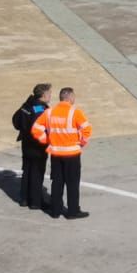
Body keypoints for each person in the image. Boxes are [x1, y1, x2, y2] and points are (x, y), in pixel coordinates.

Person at [31, 86, 93, 219]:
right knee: (72, 183)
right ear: (69, 97)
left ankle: (55, 210)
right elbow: (87, 129)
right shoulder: (75, 112)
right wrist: (81, 143)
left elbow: (36, 129)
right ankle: (72, 211)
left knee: (57, 182)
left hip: (56, 154)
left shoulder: (49, 112)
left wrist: (47, 140)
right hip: (72, 154)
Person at [10, 83, 52, 209]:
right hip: (37, 146)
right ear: (43, 95)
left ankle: (24, 199)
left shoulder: (26, 105)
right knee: (37, 173)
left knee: (27, 170)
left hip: (26, 144)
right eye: (49, 94)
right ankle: (35, 201)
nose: (50, 96)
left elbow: (16, 121)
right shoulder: (41, 110)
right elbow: (40, 128)